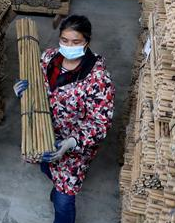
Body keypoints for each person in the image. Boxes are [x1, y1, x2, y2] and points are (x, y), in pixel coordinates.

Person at [14, 14, 115, 223]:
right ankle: (57, 183)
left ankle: (61, 194)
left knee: (63, 201)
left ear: (87, 42)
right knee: (46, 166)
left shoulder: (97, 78)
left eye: (76, 42)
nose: (69, 46)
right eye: (64, 40)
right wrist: (23, 91)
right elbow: (36, 87)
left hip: (74, 145)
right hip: (44, 132)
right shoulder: (48, 58)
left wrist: (70, 143)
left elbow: (100, 123)